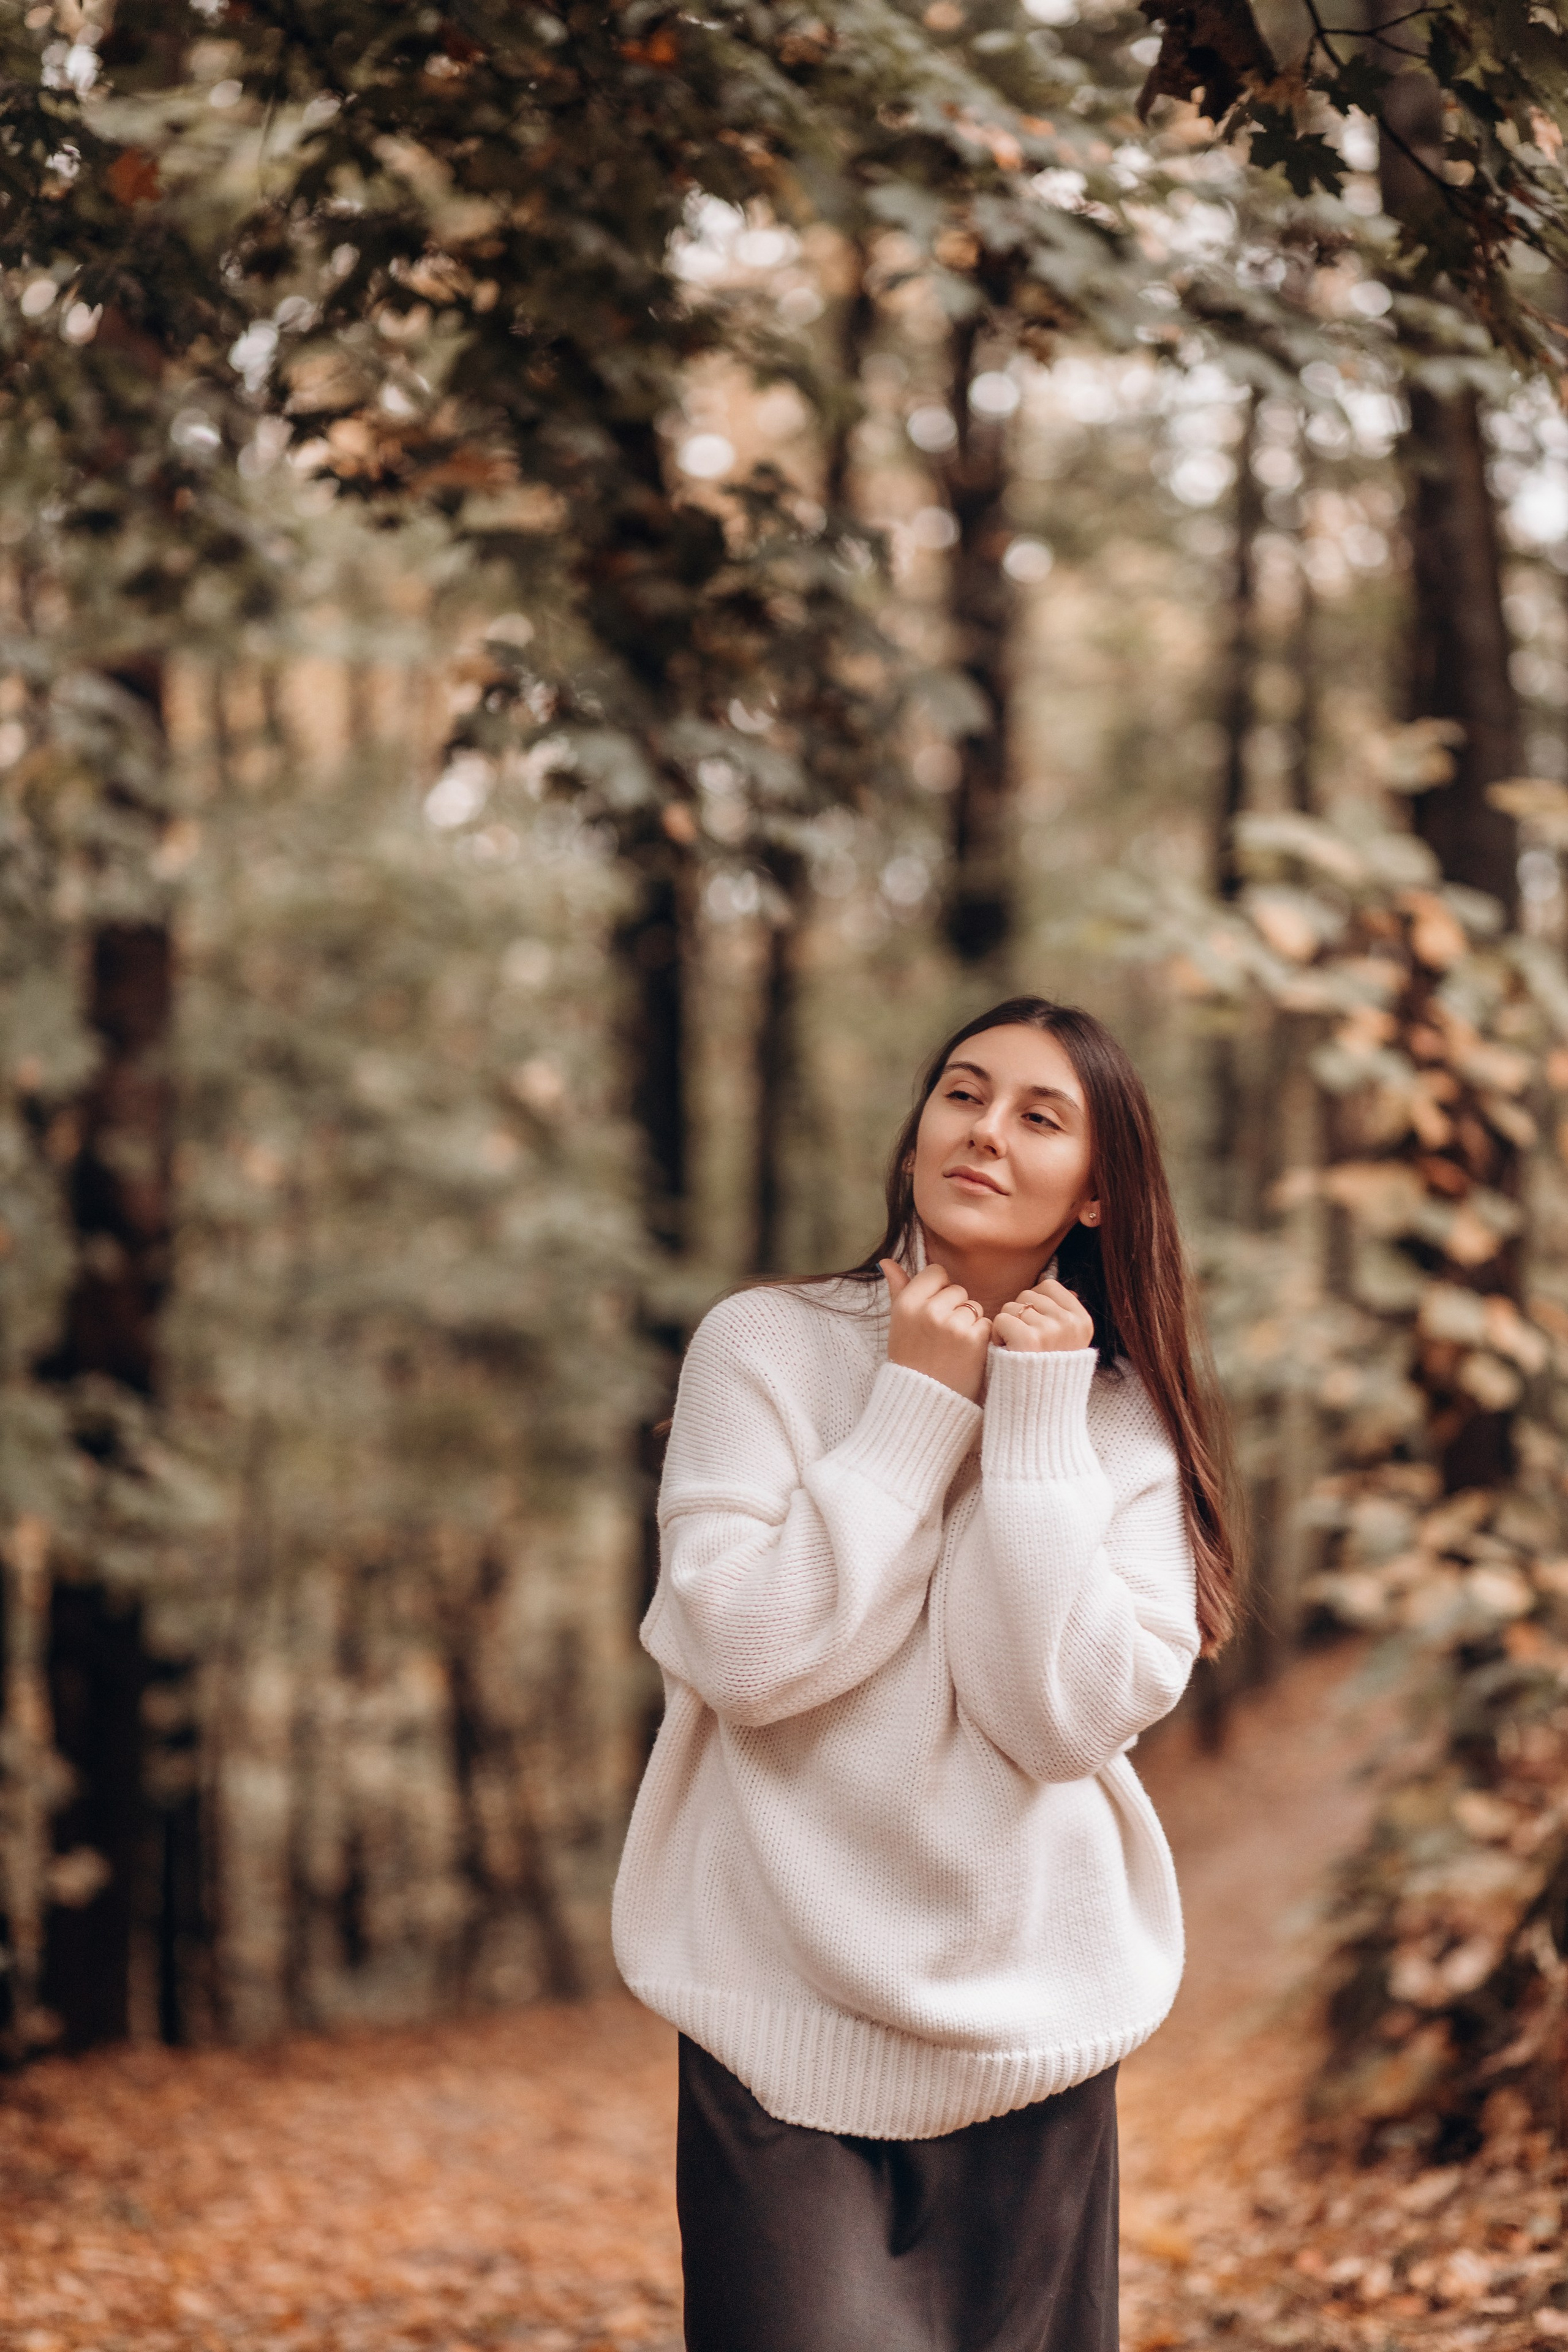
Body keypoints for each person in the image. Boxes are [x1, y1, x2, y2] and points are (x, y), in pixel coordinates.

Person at [612, 995, 1240, 2352]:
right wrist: (915, 1404)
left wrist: (1027, 1421)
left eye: (1037, 1115)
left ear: (1095, 1190)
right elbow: (745, 1655)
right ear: (914, 1131)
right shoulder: (763, 1344)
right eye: (962, 1093)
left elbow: (1056, 1720)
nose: (984, 1132)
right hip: (773, 2011)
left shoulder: (1125, 1422)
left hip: (1035, 2017)